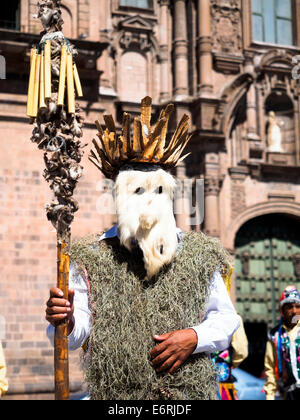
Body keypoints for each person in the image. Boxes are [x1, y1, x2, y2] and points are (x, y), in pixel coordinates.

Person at [45, 97, 240, 400]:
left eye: (157, 192)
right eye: (137, 192)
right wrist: (67, 320)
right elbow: (75, 334)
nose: (148, 201)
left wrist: (194, 336)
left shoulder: (200, 254)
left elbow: (226, 320)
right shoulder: (91, 257)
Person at [264, 285, 300, 400]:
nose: (294, 312)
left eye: (297, 307)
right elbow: (270, 369)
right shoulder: (275, 336)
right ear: (282, 310)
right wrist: (270, 396)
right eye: (290, 307)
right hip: (288, 394)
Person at [213, 315, 248, 400]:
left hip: (203, 383)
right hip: (223, 380)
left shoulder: (204, 315)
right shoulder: (233, 317)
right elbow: (241, 351)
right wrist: (233, 364)